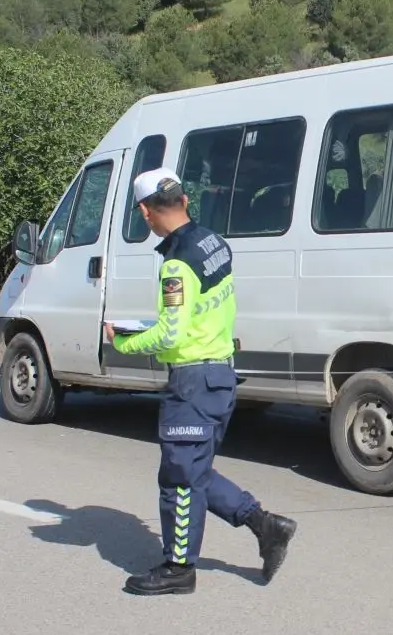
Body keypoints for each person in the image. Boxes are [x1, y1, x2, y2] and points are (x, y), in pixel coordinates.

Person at [105, 167, 297, 595]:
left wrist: (125, 342)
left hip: (193, 381)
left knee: (178, 478)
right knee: (195, 470)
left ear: (144, 211)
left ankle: (178, 569)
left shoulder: (176, 263)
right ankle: (266, 526)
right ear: (184, 200)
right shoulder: (213, 242)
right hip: (220, 373)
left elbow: (169, 333)